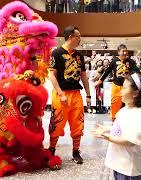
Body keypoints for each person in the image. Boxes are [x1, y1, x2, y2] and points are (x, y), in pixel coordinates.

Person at [92, 73, 141, 180]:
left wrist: (107, 137)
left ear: (135, 93)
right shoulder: (124, 110)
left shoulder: (138, 115)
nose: (120, 91)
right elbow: (122, 128)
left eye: (124, 88)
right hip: (120, 163)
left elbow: (131, 141)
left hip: (129, 168)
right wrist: (108, 129)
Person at [48, 26, 91, 164]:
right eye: (78, 36)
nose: (79, 39)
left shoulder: (79, 56)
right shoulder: (56, 53)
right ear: (70, 37)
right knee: (57, 123)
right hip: (61, 94)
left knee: (78, 124)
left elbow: (83, 76)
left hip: (76, 94)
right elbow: (52, 75)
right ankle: (51, 149)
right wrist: (60, 94)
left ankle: (76, 151)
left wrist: (88, 95)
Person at [94, 44, 140, 121]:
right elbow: (107, 71)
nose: (125, 53)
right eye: (123, 51)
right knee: (114, 104)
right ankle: (114, 121)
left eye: (126, 51)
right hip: (116, 87)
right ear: (119, 52)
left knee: (127, 105)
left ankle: (126, 121)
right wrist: (99, 81)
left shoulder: (131, 62)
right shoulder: (114, 61)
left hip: (127, 87)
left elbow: (137, 72)